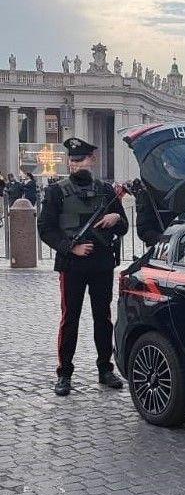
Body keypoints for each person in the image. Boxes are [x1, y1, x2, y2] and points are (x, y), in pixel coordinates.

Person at [37, 137, 129, 397]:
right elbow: (46, 229)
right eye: (73, 160)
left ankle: (105, 369)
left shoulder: (106, 191)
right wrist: (71, 247)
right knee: (70, 319)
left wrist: (115, 217)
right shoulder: (56, 191)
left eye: (82, 159)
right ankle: (64, 373)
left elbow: (123, 226)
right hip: (72, 265)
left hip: (101, 263)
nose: (76, 164)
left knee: (103, 318)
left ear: (92, 160)